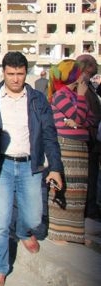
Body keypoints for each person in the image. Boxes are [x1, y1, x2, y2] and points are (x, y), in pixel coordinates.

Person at [0, 52, 63, 286]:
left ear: (27, 73)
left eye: (20, 74)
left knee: (33, 217)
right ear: (3, 72)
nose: (15, 79)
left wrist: (55, 167)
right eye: (11, 74)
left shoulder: (37, 100)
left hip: (30, 167)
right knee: (0, 223)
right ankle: (0, 268)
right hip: (1, 166)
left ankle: (24, 232)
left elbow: (49, 134)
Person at [46, 59, 91, 244]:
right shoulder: (61, 95)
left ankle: (76, 233)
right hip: (66, 146)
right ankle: (58, 232)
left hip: (80, 147)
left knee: (78, 192)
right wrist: (81, 96)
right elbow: (79, 116)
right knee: (65, 188)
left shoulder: (76, 95)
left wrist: (80, 121)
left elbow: (90, 120)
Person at [76, 55, 101, 219]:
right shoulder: (81, 85)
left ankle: (91, 206)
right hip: (87, 138)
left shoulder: (89, 85)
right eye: (94, 64)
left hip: (93, 137)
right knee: (89, 176)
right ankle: (89, 208)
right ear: (88, 67)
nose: (97, 67)